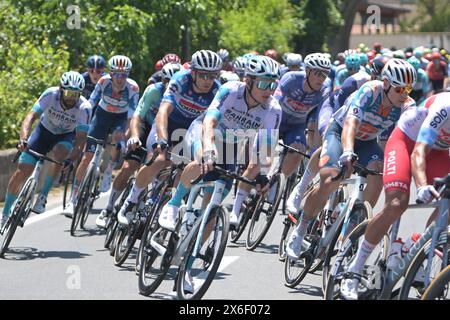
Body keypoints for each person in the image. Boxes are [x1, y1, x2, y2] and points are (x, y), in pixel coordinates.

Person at [285, 59, 417, 261]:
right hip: (341, 133)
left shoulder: (407, 106)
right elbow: (350, 124)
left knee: (377, 174)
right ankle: (301, 228)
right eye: (399, 89)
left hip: (367, 140)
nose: (404, 94)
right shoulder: (369, 92)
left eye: (408, 88)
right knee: (330, 180)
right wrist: (347, 151)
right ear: (386, 83)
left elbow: (407, 138)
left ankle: (353, 229)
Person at [340, 92, 450, 300]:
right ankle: (354, 269)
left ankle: (413, 246)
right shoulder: (445, 107)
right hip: (407, 141)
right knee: (397, 203)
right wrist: (423, 186)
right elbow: (418, 152)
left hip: (439, 152)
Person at [158, 55, 282, 232]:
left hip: (231, 144)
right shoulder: (231, 90)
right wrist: (208, 149)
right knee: (203, 160)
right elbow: (210, 122)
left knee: (211, 213)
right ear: (248, 81)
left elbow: (266, 148)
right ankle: (173, 205)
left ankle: (191, 252)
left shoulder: (274, 109)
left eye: (272, 85)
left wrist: (262, 174)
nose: (268, 90)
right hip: (205, 131)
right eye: (263, 84)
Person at [116, 50, 222, 226]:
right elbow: (163, 110)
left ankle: (169, 208)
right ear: (193, 72)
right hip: (168, 123)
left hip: (191, 129)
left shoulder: (217, 90)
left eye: (212, 76)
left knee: (184, 168)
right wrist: (162, 139)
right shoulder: (181, 80)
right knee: (160, 159)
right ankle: (132, 200)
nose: (207, 80)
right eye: (203, 75)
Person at [95, 62, 182, 227]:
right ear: (162, 81)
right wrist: (134, 136)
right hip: (146, 124)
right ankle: (109, 208)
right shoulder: (153, 91)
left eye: (173, 85)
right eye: (166, 83)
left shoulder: (181, 97)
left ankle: (151, 202)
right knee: (129, 166)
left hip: (165, 128)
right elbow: (137, 116)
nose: (169, 87)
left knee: (164, 169)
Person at [1, 72, 91, 226]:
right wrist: (23, 139)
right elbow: (30, 117)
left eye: (75, 95)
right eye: (69, 93)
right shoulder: (50, 94)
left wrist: (71, 159)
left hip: (65, 135)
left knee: (59, 155)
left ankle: (42, 196)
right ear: (61, 89)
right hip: (43, 132)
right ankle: (5, 213)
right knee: (22, 170)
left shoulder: (84, 107)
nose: (71, 98)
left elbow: (81, 139)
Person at [62, 55, 139, 217]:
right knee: (87, 156)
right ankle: (73, 200)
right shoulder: (103, 82)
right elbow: (90, 103)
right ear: (110, 74)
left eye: (124, 74)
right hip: (101, 116)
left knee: (118, 138)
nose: (120, 78)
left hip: (120, 118)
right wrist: (84, 123)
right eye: (116, 74)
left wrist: (126, 137)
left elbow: (132, 117)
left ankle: (109, 169)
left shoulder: (133, 88)